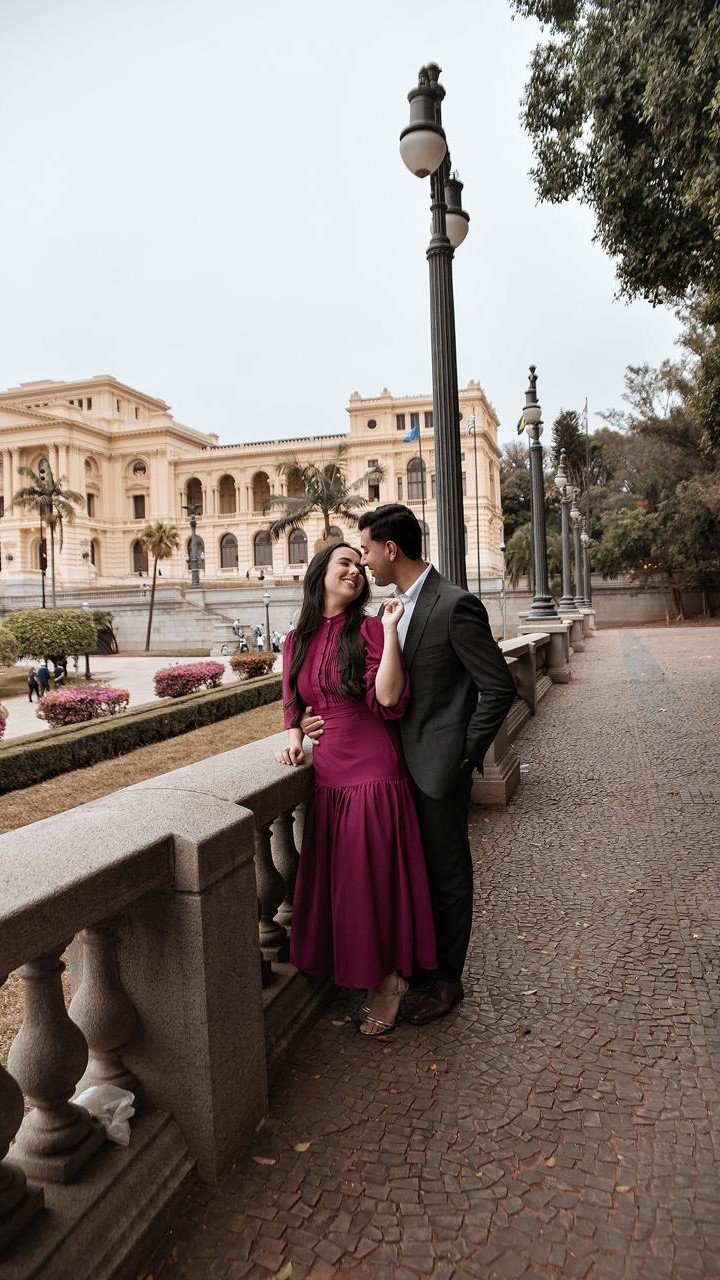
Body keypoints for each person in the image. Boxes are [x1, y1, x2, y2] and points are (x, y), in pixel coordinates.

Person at [305, 504, 516, 1025]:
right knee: (414, 877)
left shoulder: (455, 604)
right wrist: (311, 720)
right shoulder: (386, 612)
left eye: (366, 550)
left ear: (390, 549)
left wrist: (463, 753)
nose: (364, 562)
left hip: (437, 768)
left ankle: (447, 982)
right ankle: (422, 969)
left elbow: (498, 687)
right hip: (390, 770)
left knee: (447, 874)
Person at [275, 542, 437, 1037]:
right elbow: (292, 701)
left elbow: (389, 698)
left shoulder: (366, 629)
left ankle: (388, 981)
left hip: (373, 768)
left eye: (358, 565)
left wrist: (388, 631)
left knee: (372, 880)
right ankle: (368, 974)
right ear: (319, 573)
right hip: (329, 775)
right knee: (346, 882)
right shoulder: (295, 640)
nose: (355, 570)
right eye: (343, 562)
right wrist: (295, 736)